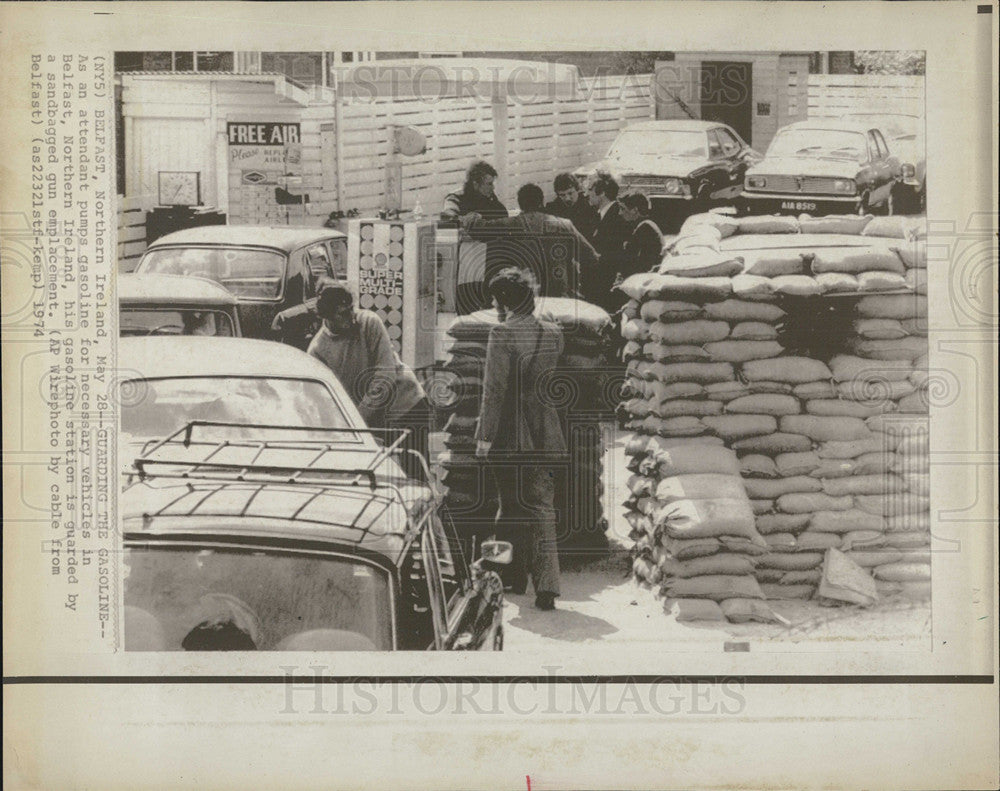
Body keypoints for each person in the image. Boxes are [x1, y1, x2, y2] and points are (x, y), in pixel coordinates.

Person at [474, 268, 565, 610]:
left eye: (496, 298)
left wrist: (484, 436)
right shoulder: (554, 334)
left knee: (508, 506)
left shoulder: (501, 333)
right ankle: (548, 587)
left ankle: (508, 575)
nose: (494, 304)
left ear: (505, 301)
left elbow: (494, 390)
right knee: (542, 508)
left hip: (511, 433)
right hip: (545, 429)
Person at [308, 284, 431, 482]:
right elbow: (323, 399)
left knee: (415, 474)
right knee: (374, 478)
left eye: (351, 309)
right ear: (327, 317)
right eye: (343, 313)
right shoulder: (317, 350)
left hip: (405, 405)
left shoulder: (369, 322)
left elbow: (385, 376)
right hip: (370, 419)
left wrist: (358, 420)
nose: (351, 317)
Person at [463, 183, 599, 298]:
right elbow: (591, 258)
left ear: (520, 204)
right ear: (541, 202)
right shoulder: (564, 225)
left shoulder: (509, 224)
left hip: (521, 297)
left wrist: (473, 215)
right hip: (558, 297)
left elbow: (476, 228)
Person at [584, 171, 630, 312]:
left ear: (602, 192)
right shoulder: (599, 215)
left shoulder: (617, 216)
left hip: (607, 287)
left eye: (590, 190)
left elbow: (612, 258)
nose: (586, 194)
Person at [441, 160, 509, 222]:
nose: (493, 187)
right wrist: (464, 220)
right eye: (489, 184)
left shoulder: (492, 200)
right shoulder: (455, 199)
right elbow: (447, 218)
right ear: (476, 184)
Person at [617, 192, 665, 279]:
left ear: (635, 210)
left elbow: (638, 264)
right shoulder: (646, 225)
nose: (620, 213)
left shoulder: (645, 227)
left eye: (622, 208)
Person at [544, 173, 599, 240]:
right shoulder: (552, 209)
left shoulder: (590, 207)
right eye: (562, 195)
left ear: (577, 190)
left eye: (570, 193)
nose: (567, 198)